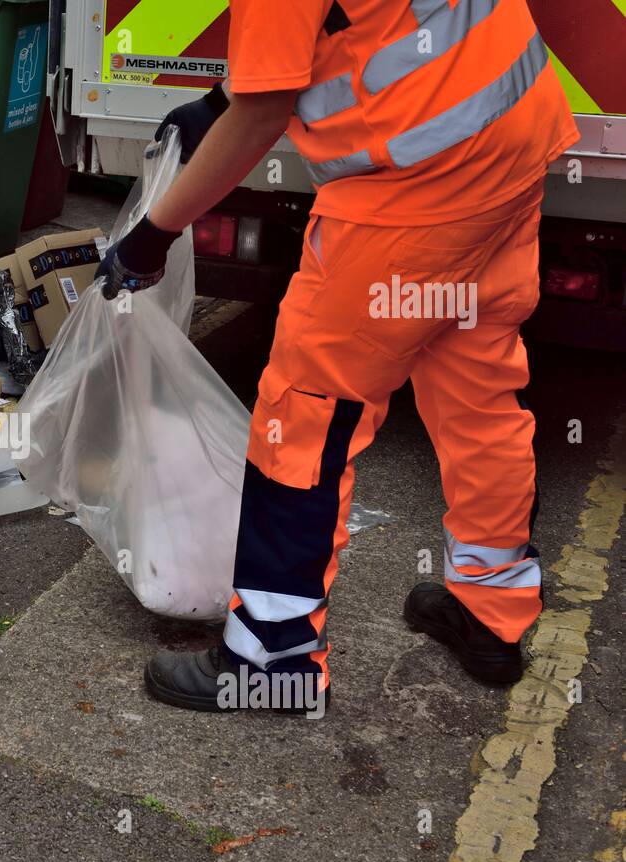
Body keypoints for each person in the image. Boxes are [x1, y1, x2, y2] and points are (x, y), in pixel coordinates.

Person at [98, 0, 577, 714]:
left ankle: (272, 655)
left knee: (306, 410)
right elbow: (343, 23)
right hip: (507, 132)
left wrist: (154, 233)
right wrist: (218, 103)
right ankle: (491, 612)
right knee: (475, 381)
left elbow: (265, 115)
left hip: (414, 184)